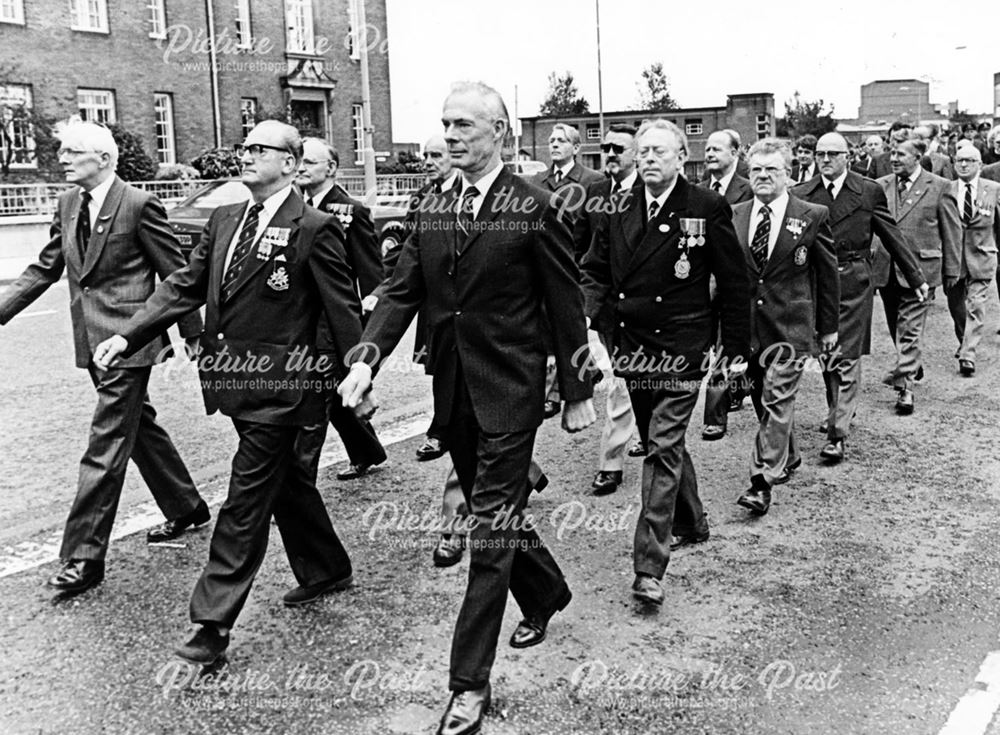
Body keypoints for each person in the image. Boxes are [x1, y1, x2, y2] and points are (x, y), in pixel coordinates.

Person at [338, 82, 596, 735]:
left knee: (487, 535)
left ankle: (467, 685)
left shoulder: (534, 206)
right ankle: (546, 590)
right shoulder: (433, 203)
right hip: (452, 393)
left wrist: (576, 392)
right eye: (445, 123)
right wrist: (367, 357)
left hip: (509, 395)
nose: (451, 135)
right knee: (495, 515)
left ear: (502, 134)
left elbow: (566, 306)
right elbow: (402, 291)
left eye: (465, 124)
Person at [93, 121, 363, 666]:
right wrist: (128, 334)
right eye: (246, 146)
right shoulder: (224, 219)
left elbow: (342, 308)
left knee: (244, 501)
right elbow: (183, 287)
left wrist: (361, 372)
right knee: (285, 483)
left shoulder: (315, 226)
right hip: (235, 381)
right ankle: (327, 566)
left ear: (290, 163)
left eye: (260, 148)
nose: (247, 154)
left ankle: (210, 624)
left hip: (288, 387)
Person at [0, 121, 208, 595]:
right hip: (90, 340)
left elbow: (176, 275)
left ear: (105, 159)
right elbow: (45, 266)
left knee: (106, 444)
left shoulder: (138, 204)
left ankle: (84, 557)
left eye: (73, 152)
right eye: (62, 151)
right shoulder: (69, 202)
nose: (62, 159)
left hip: (130, 343)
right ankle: (186, 506)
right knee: (140, 429)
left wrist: (190, 333)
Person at [581, 119, 750, 603]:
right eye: (644, 151)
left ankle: (649, 566)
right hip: (632, 345)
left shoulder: (705, 206)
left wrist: (735, 349)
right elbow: (593, 270)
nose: (650, 158)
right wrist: (589, 321)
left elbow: (734, 281)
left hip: (682, 345)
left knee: (660, 447)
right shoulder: (617, 207)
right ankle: (693, 520)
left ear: (681, 156)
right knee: (662, 441)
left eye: (660, 151)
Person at [793, 133, 926, 463]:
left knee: (846, 353)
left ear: (847, 156)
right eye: (820, 154)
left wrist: (916, 277)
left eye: (832, 154)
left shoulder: (867, 191)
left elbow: (890, 234)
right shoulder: (802, 193)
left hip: (854, 279)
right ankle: (837, 410)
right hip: (816, 282)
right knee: (826, 350)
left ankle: (838, 433)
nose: (825, 159)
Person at [732, 138, 839, 515]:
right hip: (750, 328)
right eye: (756, 170)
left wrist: (828, 327)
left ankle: (761, 482)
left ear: (788, 175)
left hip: (792, 326)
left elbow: (827, 276)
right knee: (764, 400)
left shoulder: (812, 214)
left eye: (771, 170)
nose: (762, 176)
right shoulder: (734, 214)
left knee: (778, 399)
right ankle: (788, 455)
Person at [295, 137, 387, 481]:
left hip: (334, 322)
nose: (301, 168)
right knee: (334, 398)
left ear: (330, 168)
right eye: (298, 161)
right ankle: (366, 450)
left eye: (309, 162)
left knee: (315, 405)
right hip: (303, 321)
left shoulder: (352, 211)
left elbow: (373, 276)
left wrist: (366, 323)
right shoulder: (295, 207)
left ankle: (296, 485)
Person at [572, 123, 640, 496]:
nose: (610, 154)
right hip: (607, 308)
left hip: (646, 311)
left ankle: (615, 458)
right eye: (606, 148)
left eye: (618, 148)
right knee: (622, 384)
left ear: (636, 154)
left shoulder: (651, 193)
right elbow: (583, 253)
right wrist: (581, 306)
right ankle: (620, 453)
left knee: (628, 385)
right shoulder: (595, 193)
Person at [874, 134, 961, 414]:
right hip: (886, 270)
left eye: (900, 154)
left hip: (922, 271)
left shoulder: (940, 187)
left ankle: (905, 389)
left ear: (917, 156)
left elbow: (951, 231)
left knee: (909, 330)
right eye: (892, 153)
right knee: (895, 328)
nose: (893, 158)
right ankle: (911, 363)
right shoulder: (880, 186)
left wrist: (951, 269)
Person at [699, 129, 754, 441]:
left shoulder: (747, 190)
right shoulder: (697, 191)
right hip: (701, 279)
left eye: (717, 149)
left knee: (724, 346)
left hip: (735, 280)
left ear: (735, 153)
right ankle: (740, 382)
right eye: (707, 149)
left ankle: (714, 416)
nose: (709, 154)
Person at [946, 142, 1000, 376]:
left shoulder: (993, 189)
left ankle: (969, 353)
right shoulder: (946, 189)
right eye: (960, 160)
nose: (964, 164)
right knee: (956, 304)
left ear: (980, 164)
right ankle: (963, 340)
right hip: (954, 258)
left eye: (970, 160)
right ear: (954, 163)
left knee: (976, 304)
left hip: (982, 256)